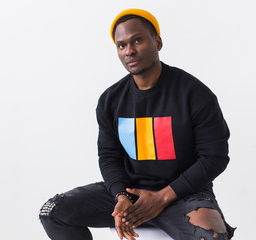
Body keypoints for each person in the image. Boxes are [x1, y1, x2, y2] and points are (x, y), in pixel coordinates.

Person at [39, 8, 235, 240]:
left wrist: (162, 197)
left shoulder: (194, 93)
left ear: (158, 42)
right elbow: (109, 156)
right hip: (130, 194)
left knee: (211, 235)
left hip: (183, 195)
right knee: (52, 212)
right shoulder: (111, 99)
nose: (129, 51)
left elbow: (215, 157)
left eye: (137, 40)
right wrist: (120, 195)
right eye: (121, 45)